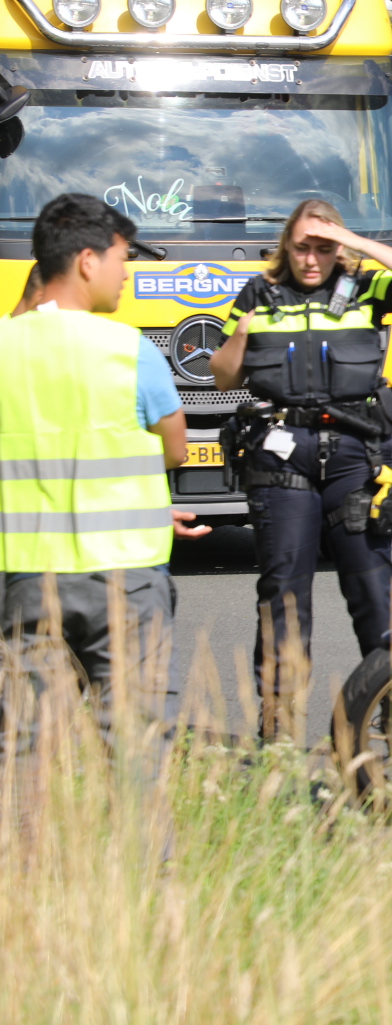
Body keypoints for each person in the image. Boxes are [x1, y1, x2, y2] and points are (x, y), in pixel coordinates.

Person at [206, 199, 392, 737]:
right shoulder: (258, 294)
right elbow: (223, 376)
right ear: (286, 248)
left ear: (337, 248)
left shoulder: (364, 289)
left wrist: (355, 243)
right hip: (281, 457)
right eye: (302, 247)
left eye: (323, 248)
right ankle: (279, 729)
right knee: (283, 593)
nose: (311, 259)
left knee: (372, 589)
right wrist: (242, 335)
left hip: (354, 458)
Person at [0, 194, 209, 719]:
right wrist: (137, 505)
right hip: (126, 574)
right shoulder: (130, 349)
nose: (127, 274)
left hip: (28, 574)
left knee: (28, 737)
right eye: (121, 258)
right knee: (135, 739)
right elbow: (175, 449)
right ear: (87, 261)